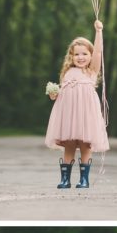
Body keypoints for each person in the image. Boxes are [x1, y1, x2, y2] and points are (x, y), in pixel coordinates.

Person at [45, 23, 107, 189]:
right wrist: (54, 94)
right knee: (70, 143)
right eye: (76, 54)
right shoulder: (67, 72)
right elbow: (62, 93)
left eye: (84, 54)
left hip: (86, 113)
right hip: (69, 114)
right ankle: (65, 179)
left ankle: (84, 179)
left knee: (86, 143)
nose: (80, 57)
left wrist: (99, 32)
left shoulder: (92, 71)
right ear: (71, 57)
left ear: (90, 55)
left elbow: (99, 51)